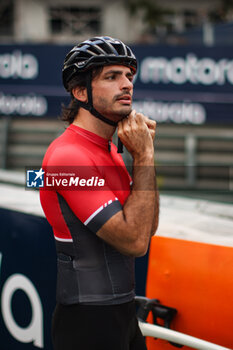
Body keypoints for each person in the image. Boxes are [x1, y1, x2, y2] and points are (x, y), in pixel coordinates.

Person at [40, 36, 159, 350]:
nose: (126, 84)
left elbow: (146, 230)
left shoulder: (110, 150)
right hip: (88, 322)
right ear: (81, 92)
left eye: (128, 76)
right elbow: (134, 242)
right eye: (112, 76)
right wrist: (145, 158)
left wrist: (144, 156)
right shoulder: (69, 156)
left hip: (121, 315)